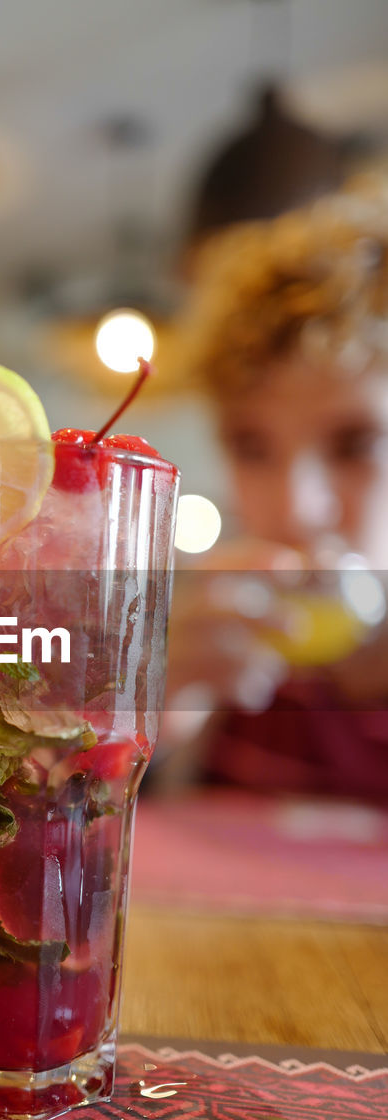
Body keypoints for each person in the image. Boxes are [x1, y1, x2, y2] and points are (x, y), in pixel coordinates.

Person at [161, 177, 388, 802]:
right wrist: (149, 718)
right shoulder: (223, 658)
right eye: (252, 448)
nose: (295, 508)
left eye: (356, 445)